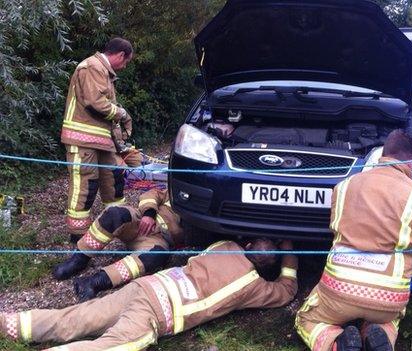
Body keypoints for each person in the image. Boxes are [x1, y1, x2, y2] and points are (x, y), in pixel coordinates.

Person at [0, 239, 298, 350]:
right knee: (112, 346)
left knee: (76, 317)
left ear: (247, 247)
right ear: (266, 266)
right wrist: (289, 255)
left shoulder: (225, 247)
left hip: (145, 287)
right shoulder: (252, 286)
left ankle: (11, 323)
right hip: (156, 314)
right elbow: (287, 292)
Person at [295, 130, 412, 351]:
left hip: (339, 289)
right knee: (390, 320)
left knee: (306, 319)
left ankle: (336, 344)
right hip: (388, 296)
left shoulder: (344, 186)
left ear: (383, 154)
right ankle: (379, 335)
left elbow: (335, 229)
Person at [61, 37, 134, 242]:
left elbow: (106, 115)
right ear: (120, 55)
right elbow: (96, 103)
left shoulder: (104, 72)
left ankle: (119, 226)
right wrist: (122, 113)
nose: (125, 66)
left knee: (114, 180)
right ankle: (77, 237)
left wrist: (120, 140)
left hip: (101, 142)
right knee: (86, 186)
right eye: (126, 61)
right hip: (82, 141)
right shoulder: (92, 67)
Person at [52, 188, 183, 301]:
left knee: (156, 257)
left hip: (158, 240)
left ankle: (94, 282)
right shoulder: (179, 189)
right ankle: (79, 258)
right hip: (140, 221)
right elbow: (151, 194)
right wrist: (149, 214)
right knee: (115, 214)